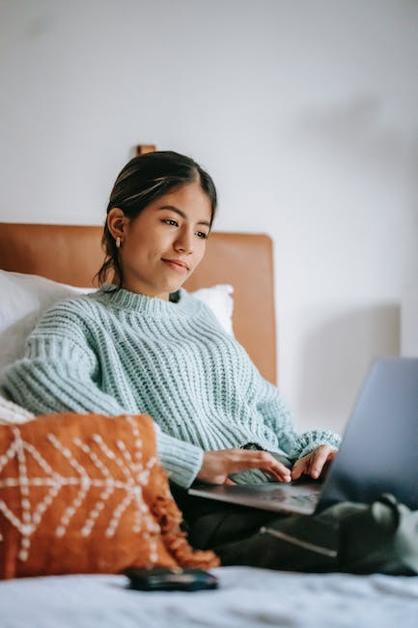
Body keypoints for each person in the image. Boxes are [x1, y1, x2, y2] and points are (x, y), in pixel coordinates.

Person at [3, 151, 341, 570]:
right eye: (170, 221)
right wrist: (190, 460)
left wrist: (320, 451)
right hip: (208, 513)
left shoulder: (200, 315)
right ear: (119, 225)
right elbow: (39, 378)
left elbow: (272, 414)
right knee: (386, 529)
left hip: (285, 492)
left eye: (201, 232)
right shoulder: (84, 316)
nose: (186, 245)